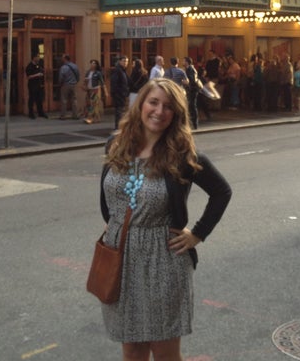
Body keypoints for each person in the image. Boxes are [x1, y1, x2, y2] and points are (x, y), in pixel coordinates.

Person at [98, 78, 232, 359]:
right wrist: (113, 222)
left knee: (164, 350)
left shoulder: (182, 155)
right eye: (154, 102)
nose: (159, 111)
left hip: (163, 260)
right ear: (141, 104)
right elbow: (108, 189)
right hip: (120, 257)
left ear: (176, 115)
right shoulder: (117, 144)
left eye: (168, 107)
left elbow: (221, 191)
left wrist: (197, 234)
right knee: (132, 348)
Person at [110, 55, 130, 129]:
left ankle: (120, 127)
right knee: (119, 113)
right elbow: (114, 83)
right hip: (119, 95)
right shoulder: (117, 70)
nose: (126, 63)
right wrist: (117, 94)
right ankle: (118, 128)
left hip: (123, 95)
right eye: (124, 61)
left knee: (122, 113)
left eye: (127, 61)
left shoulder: (123, 71)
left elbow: (127, 82)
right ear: (120, 61)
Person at [83, 59, 106, 124]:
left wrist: (105, 91)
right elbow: (85, 80)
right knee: (88, 104)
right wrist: (84, 84)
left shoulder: (98, 73)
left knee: (94, 104)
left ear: (96, 65)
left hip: (95, 90)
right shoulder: (88, 72)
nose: (92, 65)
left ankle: (90, 118)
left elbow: (102, 82)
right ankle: (96, 118)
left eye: (94, 63)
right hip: (89, 90)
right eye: (91, 63)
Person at [58, 54, 80, 120]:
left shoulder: (63, 67)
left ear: (65, 59)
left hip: (66, 84)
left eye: (62, 58)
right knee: (74, 100)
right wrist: (76, 81)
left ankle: (63, 116)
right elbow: (78, 75)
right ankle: (75, 115)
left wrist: (60, 83)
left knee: (64, 100)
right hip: (74, 84)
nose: (61, 59)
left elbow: (61, 77)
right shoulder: (75, 66)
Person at [25, 54, 47, 119]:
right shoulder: (29, 66)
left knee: (39, 99)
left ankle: (41, 112)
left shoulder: (39, 65)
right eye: (37, 57)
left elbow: (42, 71)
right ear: (34, 58)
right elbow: (28, 76)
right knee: (32, 99)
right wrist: (37, 75)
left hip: (39, 84)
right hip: (32, 85)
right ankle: (31, 113)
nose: (39, 58)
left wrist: (42, 73)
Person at [183, 56, 202, 130]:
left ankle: (194, 123)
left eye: (184, 61)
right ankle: (192, 123)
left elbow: (192, 80)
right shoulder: (189, 69)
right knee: (191, 106)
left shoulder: (190, 69)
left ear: (187, 62)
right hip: (192, 90)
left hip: (193, 90)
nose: (183, 62)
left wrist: (185, 82)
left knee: (192, 106)